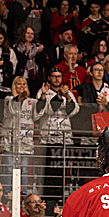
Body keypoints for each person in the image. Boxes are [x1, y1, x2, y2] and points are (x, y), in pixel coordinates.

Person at [35, 68, 79, 205]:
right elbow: (46, 110)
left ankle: (59, 199)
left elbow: (74, 111)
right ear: (49, 78)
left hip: (63, 138)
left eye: (59, 76)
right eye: (54, 76)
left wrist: (67, 97)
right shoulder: (43, 92)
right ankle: (47, 200)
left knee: (61, 170)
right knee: (48, 170)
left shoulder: (68, 92)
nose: (56, 79)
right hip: (48, 138)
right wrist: (59, 97)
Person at [3, 76, 38, 190]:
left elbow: (37, 115)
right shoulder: (8, 99)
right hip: (11, 141)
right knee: (9, 169)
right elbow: (11, 111)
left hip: (25, 141)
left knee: (24, 169)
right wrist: (20, 98)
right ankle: (8, 193)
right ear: (14, 86)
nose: (22, 86)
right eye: (19, 84)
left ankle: (23, 195)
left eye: (24, 84)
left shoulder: (31, 102)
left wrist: (42, 96)